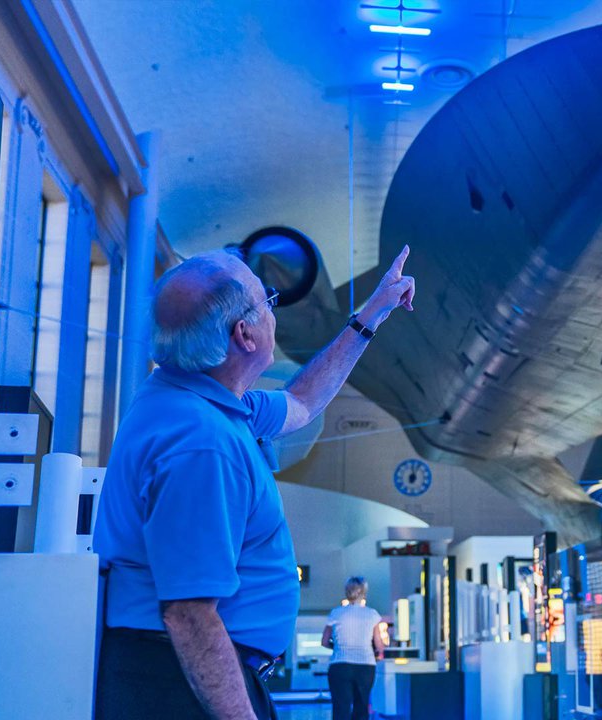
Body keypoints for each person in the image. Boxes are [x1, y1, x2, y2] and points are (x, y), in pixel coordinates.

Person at [95, 246, 415, 719]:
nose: (272, 309)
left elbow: (302, 402)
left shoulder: (202, 396)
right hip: (179, 681)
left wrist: (371, 315)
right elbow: (189, 615)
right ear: (244, 334)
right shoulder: (202, 443)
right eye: (266, 300)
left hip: (182, 671)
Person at [322, 577, 385, 720]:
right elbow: (379, 645)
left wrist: (338, 647)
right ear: (364, 592)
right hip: (366, 666)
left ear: (347, 591)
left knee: (340, 709)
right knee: (361, 708)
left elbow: (324, 641)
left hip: (340, 665)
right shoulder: (372, 614)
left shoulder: (336, 613)